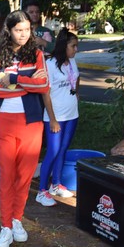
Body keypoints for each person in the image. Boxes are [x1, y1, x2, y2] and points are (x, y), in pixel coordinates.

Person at [0, 9, 49, 247]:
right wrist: (29, 80)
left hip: (31, 123)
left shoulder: (37, 54)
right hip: (4, 122)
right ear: (9, 31)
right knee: (8, 176)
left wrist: (13, 80)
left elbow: (44, 85)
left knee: (24, 176)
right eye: (18, 30)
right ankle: (5, 226)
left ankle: (17, 220)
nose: (23, 34)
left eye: (27, 29)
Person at [36, 29, 81, 207]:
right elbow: (45, 94)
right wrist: (53, 119)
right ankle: (41, 191)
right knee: (53, 152)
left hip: (72, 114)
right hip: (56, 117)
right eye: (73, 46)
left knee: (63, 149)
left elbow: (77, 79)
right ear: (64, 46)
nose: (76, 49)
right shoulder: (50, 65)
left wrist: (77, 94)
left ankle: (56, 184)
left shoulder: (72, 62)